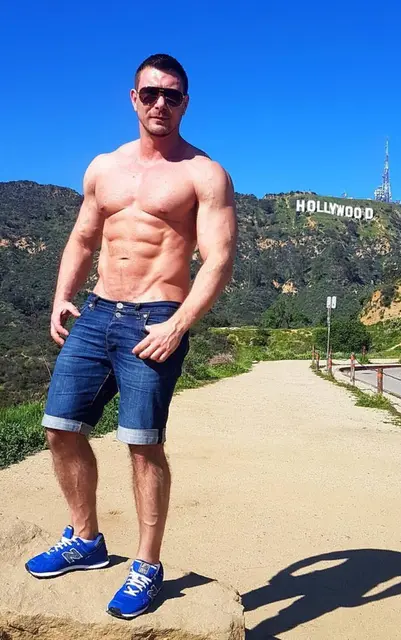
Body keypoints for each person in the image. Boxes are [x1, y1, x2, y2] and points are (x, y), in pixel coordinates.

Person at [25, 53, 237, 620]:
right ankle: (85, 540)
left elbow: (218, 259)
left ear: (186, 102)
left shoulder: (204, 173)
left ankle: (147, 564)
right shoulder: (104, 167)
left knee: (142, 444)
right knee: (60, 428)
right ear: (133, 98)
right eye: (150, 93)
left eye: (172, 94)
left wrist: (178, 323)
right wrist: (62, 295)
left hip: (156, 317)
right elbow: (82, 237)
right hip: (96, 312)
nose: (160, 103)